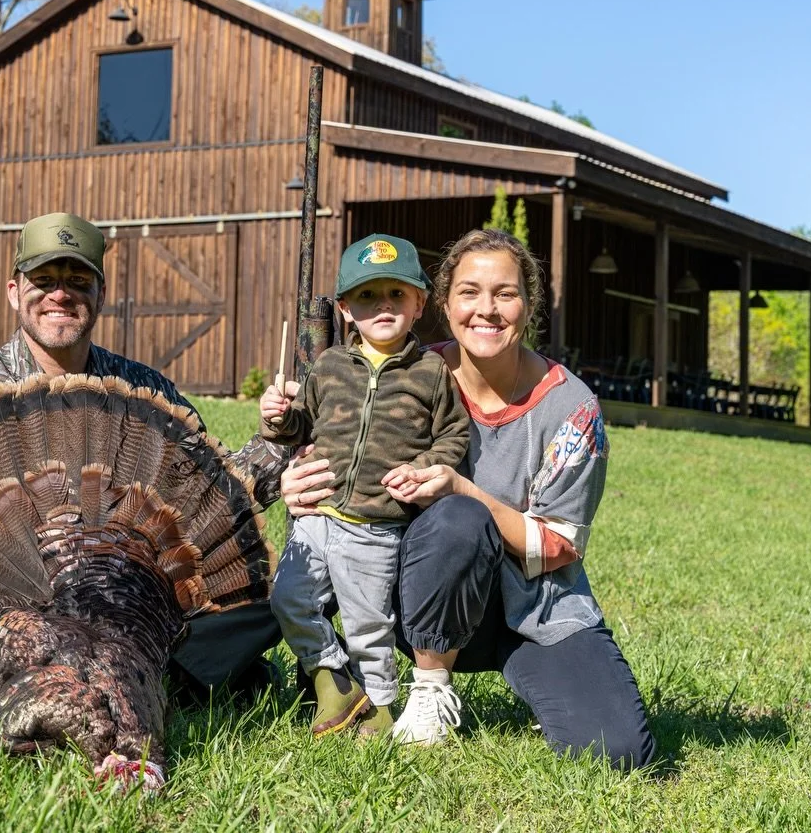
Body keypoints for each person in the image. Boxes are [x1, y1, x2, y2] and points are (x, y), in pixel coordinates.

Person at [278, 227, 656, 768]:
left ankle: (522, 679)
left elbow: (559, 546)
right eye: (470, 292)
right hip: (408, 596)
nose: (487, 309)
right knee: (427, 529)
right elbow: (322, 440)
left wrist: (463, 488)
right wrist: (293, 477)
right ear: (444, 304)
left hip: (529, 609)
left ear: (529, 305)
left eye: (505, 293)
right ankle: (415, 689)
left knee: (617, 750)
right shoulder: (405, 370)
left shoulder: (574, 409)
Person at [0, 211, 288, 697]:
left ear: (100, 295)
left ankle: (179, 670)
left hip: (136, 605)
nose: (60, 294)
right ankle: (185, 674)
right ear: (15, 293)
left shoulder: (143, 387)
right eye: (44, 280)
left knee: (283, 592)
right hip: (31, 620)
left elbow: (207, 499)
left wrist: (279, 443)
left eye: (78, 281)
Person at [259, 234, 470, 738]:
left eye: (397, 294)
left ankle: (378, 710)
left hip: (377, 527)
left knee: (368, 626)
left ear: (419, 304)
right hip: (317, 514)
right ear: (346, 308)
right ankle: (332, 677)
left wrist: (424, 468)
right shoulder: (329, 365)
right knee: (288, 598)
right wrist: (280, 418)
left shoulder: (431, 372)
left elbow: (453, 435)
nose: (383, 306)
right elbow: (304, 426)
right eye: (368, 295)